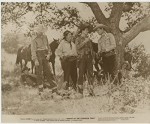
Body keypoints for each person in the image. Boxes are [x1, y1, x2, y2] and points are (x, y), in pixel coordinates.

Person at [31, 24, 57, 96]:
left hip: (45, 55)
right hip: (38, 55)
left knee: (48, 71)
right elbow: (33, 50)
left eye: (42, 31)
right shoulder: (34, 39)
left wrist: (49, 54)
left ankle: (54, 88)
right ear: (37, 32)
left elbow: (48, 47)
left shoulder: (45, 37)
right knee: (39, 73)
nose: (41, 32)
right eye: (39, 31)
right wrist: (35, 59)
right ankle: (41, 91)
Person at [75, 24, 95, 95]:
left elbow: (91, 49)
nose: (87, 31)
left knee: (90, 73)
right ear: (82, 30)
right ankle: (80, 91)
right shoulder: (78, 38)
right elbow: (77, 48)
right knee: (81, 73)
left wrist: (93, 58)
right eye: (86, 30)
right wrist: (84, 42)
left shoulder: (88, 39)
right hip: (82, 57)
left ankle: (91, 91)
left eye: (88, 30)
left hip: (89, 57)